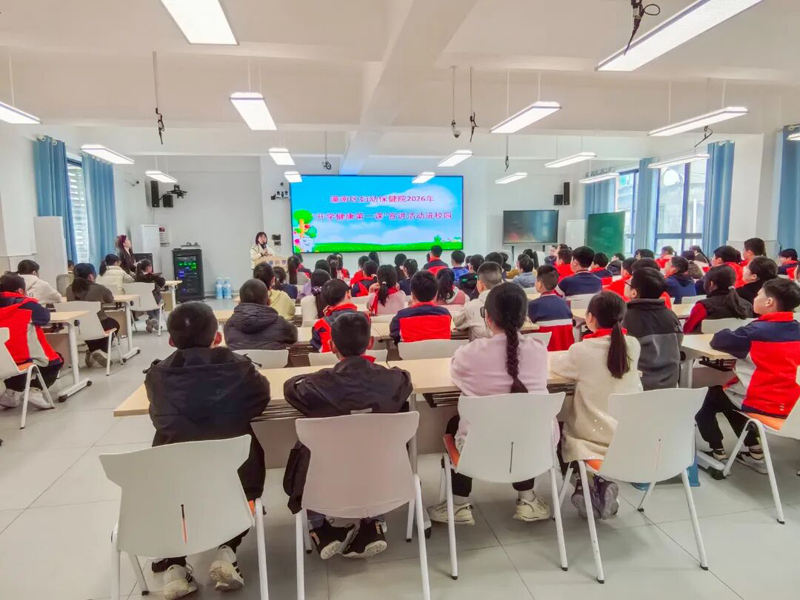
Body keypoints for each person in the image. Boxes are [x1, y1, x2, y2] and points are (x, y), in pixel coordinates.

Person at [146, 302, 270, 598]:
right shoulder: (240, 368)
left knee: (175, 486)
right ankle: (227, 552)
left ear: (171, 341)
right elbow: (260, 399)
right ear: (218, 337)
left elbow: (157, 417)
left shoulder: (157, 377)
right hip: (238, 479)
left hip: (176, 483)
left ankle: (175, 567)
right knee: (242, 481)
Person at [283, 312, 412, 559]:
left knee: (310, 450)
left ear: (332, 346)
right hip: (382, 472)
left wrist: (311, 374)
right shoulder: (394, 381)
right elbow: (405, 378)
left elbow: (291, 388)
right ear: (370, 343)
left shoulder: (317, 386)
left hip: (326, 477)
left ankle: (319, 527)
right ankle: (372, 522)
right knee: (370, 449)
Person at [428, 283, 552, 526]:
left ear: (487, 316)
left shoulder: (469, 353)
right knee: (522, 421)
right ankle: (527, 499)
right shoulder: (539, 351)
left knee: (455, 423)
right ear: (524, 317)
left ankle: (459, 504)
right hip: (534, 446)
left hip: (480, 451)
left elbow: (455, 375)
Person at [551, 292, 642, 519]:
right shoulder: (633, 345)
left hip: (591, 437)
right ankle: (597, 484)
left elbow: (557, 366)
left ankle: (586, 484)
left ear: (590, 318)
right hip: (629, 435)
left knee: (559, 426)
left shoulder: (582, 350)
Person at [696, 279, 800, 471]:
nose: (755, 297)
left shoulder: (754, 332)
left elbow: (719, 340)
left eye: (759, 294)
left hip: (761, 402)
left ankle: (717, 450)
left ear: (769, 302)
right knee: (728, 399)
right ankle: (755, 451)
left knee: (706, 399)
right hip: (793, 405)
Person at [0, 273, 63, 410]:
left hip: (3, 361)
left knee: (9, 363)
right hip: (22, 357)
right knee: (55, 362)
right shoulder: (27, 305)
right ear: (20, 291)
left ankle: (11, 393)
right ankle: (35, 390)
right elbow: (45, 318)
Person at [623, 269, 683, 390]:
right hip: (670, 386)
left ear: (634, 292)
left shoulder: (625, 316)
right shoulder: (671, 315)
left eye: (628, 283)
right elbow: (679, 343)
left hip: (638, 387)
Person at [66, 263, 119, 367]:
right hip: (99, 324)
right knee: (114, 324)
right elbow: (110, 299)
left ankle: (93, 351)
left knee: (88, 330)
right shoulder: (99, 288)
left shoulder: (69, 289)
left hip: (78, 326)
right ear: (90, 276)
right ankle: (100, 352)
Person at [683, 266, 753, 334]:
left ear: (711, 284)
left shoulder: (702, 307)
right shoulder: (747, 306)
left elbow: (686, 330)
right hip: (738, 342)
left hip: (705, 341)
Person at [390, 271, 452, 344]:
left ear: (412, 295)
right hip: (441, 351)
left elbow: (394, 335)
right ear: (436, 294)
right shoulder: (445, 314)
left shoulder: (401, 316)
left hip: (411, 351)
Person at [451, 262, 503, 341]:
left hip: (480, 348)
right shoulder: (513, 303)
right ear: (502, 282)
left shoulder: (471, 306)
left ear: (480, 284)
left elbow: (457, 323)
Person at [527, 264, 574, 352]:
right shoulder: (565, 304)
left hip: (544, 352)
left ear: (539, 284)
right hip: (566, 352)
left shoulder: (533, 305)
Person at [311, 280, 361, 352]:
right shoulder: (364, 318)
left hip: (329, 359)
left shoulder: (319, 325)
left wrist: (327, 317)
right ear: (348, 293)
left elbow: (317, 348)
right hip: (358, 359)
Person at [134, 259, 166, 333]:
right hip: (155, 301)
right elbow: (161, 283)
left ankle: (151, 321)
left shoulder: (136, 278)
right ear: (149, 267)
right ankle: (154, 320)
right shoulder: (152, 277)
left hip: (141, 302)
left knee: (149, 304)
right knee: (159, 303)